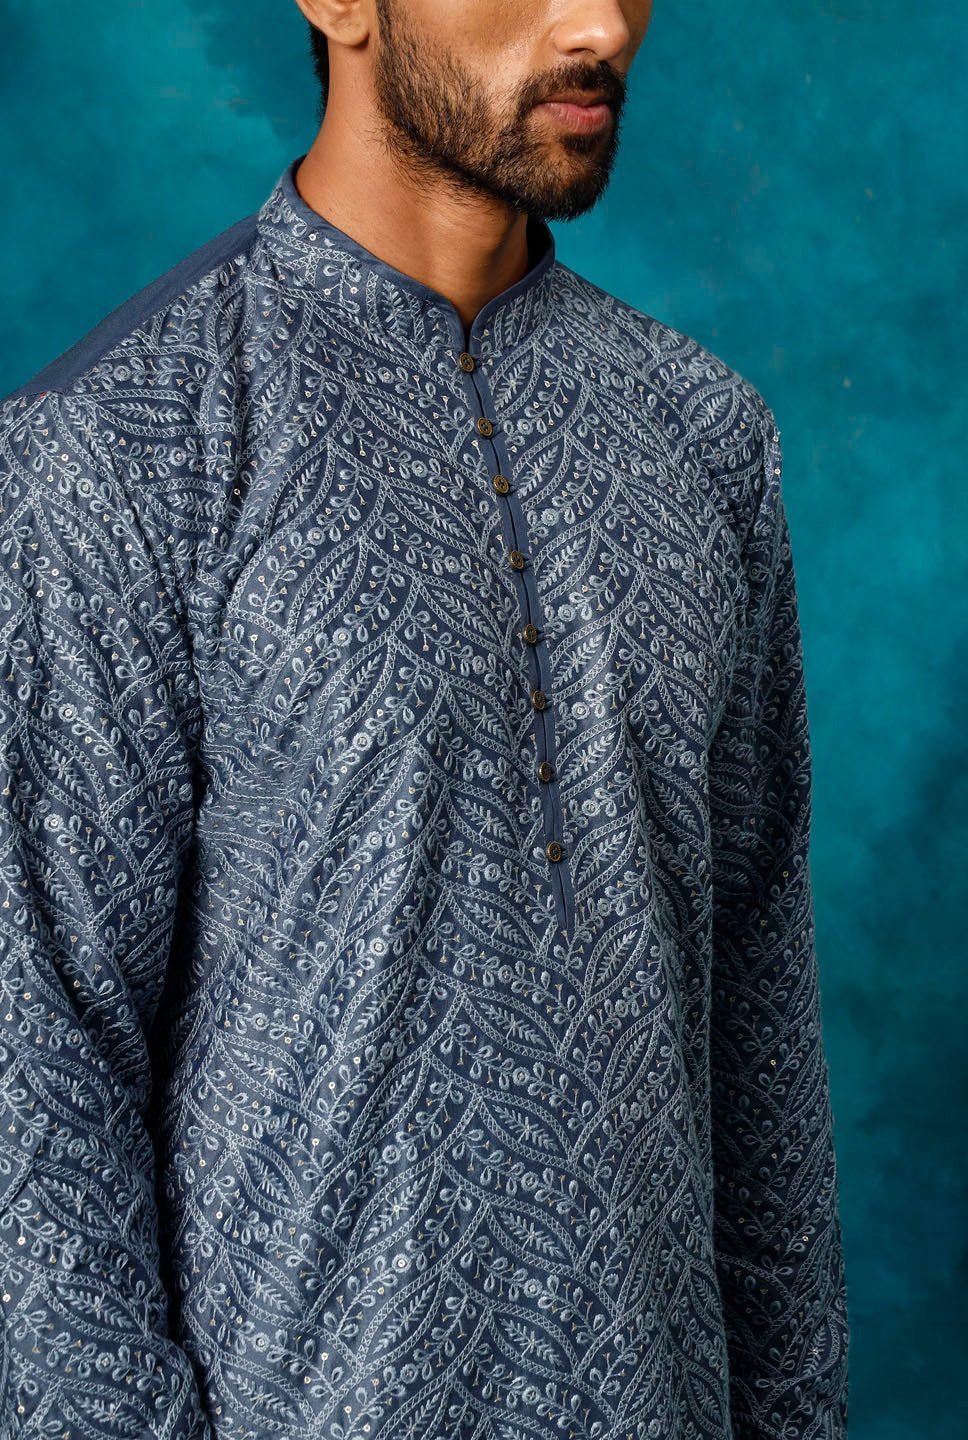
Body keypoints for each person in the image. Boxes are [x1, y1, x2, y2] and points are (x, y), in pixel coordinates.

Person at [0, 1, 849, 1436]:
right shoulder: (122, 448)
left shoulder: (705, 437)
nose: (603, 24)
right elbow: (34, 1071)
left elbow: (760, 1022)